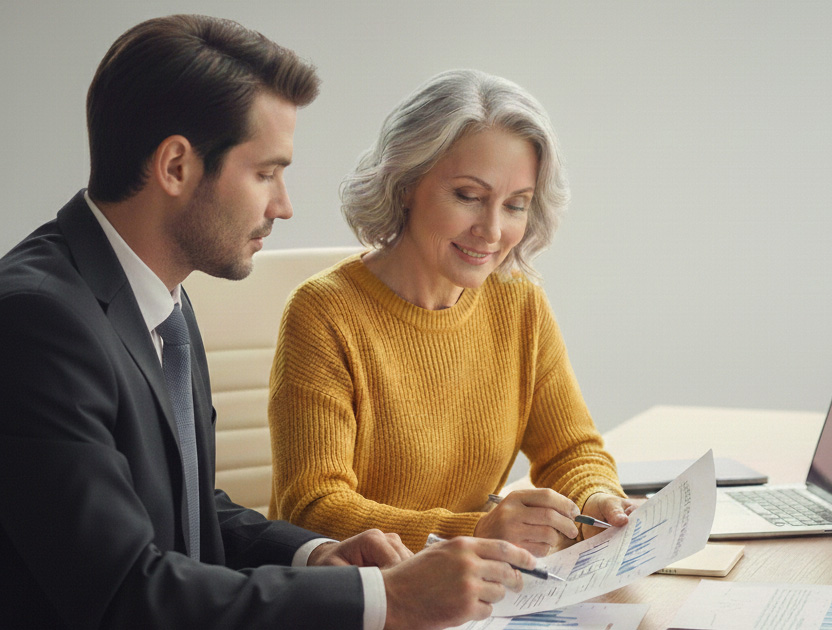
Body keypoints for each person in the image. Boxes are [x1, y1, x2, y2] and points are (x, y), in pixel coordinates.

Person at [0, 17, 535, 630]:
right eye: (265, 173)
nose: (283, 205)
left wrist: (316, 556)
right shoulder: (36, 323)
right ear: (176, 166)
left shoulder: (157, 296)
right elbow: (124, 592)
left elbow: (190, 516)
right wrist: (387, 602)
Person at [268, 69, 636, 557]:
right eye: (468, 196)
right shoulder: (324, 313)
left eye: (515, 205)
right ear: (405, 184)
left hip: (475, 594)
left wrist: (598, 500)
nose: (492, 230)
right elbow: (313, 507)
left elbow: (570, 451)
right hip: (366, 596)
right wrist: (476, 532)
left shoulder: (518, 302)